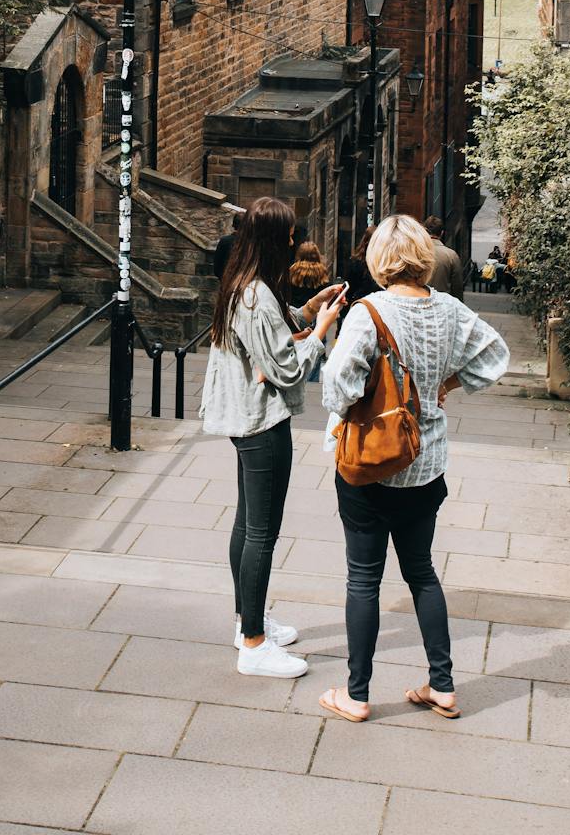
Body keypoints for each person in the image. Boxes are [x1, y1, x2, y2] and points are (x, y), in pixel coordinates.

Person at [319, 213, 509, 723]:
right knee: (422, 572)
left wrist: (355, 401)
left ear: (379, 261)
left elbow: (337, 387)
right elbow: (495, 355)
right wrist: (448, 386)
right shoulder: (449, 310)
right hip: (425, 466)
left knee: (363, 578)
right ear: (425, 258)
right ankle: (442, 687)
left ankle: (356, 695)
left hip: (369, 466)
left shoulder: (367, 312)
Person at [201, 196, 347, 677]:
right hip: (261, 424)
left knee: (247, 524)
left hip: (247, 420)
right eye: (288, 236)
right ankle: (254, 645)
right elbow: (285, 368)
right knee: (261, 533)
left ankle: (249, 619)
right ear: (272, 240)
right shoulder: (255, 297)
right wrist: (323, 331)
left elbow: (272, 335)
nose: (294, 242)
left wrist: (307, 310)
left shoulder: (244, 284)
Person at [424, 216, 465, 302]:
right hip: (441, 302)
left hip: (416, 302)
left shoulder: (414, 252)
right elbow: (457, 286)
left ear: (424, 231)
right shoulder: (451, 255)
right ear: (442, 233)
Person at [289, 234, 332, 309]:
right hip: (314, 311)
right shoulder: (322, 272)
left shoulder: (292, 270)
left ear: (299, 255)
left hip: (294, 310)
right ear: (317, 255)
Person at [343, 227, 380, 308]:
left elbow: (348, 288)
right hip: (373, 305)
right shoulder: (381, 262)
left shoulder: (356, 262)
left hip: (358, 304)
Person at [213, 210, 242, 280]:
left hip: (226, 281)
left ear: (233, 225)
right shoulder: (251, 243)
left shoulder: (225, 241)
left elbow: (217, 267)